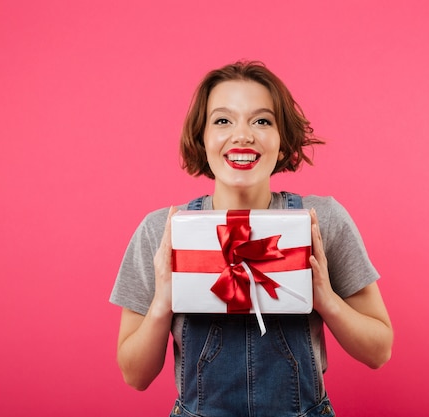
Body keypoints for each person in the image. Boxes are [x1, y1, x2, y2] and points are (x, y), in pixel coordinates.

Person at [110, 61, 393, 417]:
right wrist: (163, 300)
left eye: (261, 121)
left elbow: (379, 351)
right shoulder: (160, 231)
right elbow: (135, 376)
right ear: (201, 136)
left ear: (281, 139)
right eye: (223, 120)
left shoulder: (321, 221)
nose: (242, 135)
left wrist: (325, 299)